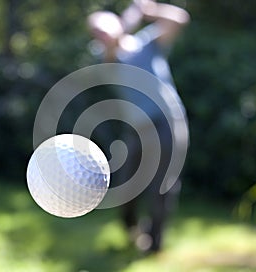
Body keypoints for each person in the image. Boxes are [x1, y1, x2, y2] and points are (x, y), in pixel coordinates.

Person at [87, 0, 190, 252]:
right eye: (96, 31)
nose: (102, 34)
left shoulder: (147, 44)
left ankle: (154, 243)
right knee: (126, 187)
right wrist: (132, 14)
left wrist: (150, 10)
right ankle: (132, 231)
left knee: (162, 187)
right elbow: (112, 48)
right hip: (138, 127)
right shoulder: (103, 55)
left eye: (104, 27)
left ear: (116, 22)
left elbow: (180, 19)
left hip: (167, 121)